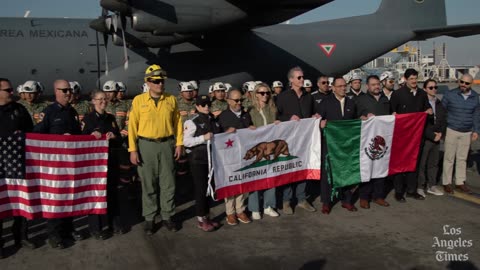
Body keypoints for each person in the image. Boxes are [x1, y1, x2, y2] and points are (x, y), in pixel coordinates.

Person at [128, 64, 183, 235]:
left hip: (167, 144)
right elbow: (132, 126)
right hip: (146, 145)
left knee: (169, 183)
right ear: (148, 82)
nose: (160, 84)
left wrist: (179, 143)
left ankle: (167, 216)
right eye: (156, 81)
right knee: (148, 184)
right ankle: (150, 218)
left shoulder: (171, 99)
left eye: (162, 81)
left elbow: (178, 123)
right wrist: (133, 149)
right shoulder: (138, 100)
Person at [34, 79, 84, 249]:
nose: (68, 93)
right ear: (56, 91)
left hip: (70, 164)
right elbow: (37, 136)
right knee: (55, 200)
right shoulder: (47, 112)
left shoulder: (72, 112)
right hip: (54, 166)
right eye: (64, 90)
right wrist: (59, 139)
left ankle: (68, 230)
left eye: (69, 90)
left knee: (70, 197)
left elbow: (79, 135)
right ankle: (54, 235)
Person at [0, 78, 36, 258]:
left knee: (20, 201)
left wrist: (22, 135)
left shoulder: (19, 110)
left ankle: (21, 237)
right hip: (0, 167)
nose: (12, 92)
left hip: (17, 164)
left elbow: (32, 133)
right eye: (8, 90)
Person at [82, 90, 124, 240]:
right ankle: (96, 228)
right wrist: (90, 136)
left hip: (110, 161)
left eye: (104, 99)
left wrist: (114, 136)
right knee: (96, 194)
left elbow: (120, 140)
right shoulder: (88, 119)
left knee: (112, 193)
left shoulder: (111, 118)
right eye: (99, 99)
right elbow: (80, 140)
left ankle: (115, 223)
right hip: (94, 164)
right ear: (93, 101)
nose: (103, 102)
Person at [275, 66, 316, 214]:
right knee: (289, 169)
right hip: (289, 139)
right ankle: (286, 201)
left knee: (302, 168)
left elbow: (312, 113)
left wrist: (314, 117)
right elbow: (276, 117)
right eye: (299, 77)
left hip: (304, 139)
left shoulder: (309, 96)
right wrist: (288, 118)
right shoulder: (283, 97)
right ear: (291, 80)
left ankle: (301, 199)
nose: (302, 79)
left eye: (302, 77)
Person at [390, 68, 432, 202]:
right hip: (402, 136)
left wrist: (429, 111)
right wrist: (393, 115)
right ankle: (398, 191)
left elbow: (426, 109)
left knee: (414, 163)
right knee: (400, 163)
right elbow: (391, 111)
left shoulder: (422, 94)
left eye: (415, 79)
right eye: (411, 79)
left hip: (417, 136)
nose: (414, 81)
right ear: (405, 79)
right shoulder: (397, 94)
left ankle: (411, 190)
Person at [318, 77, 358, 213]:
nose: (343, 88)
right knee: (327, 173)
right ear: (333, 88)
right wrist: (320, 123)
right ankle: (326, 202)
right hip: (330, 144)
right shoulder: (325, 102)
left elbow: (356, 121)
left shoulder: (351, 103)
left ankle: (346, 200)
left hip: (347, 145)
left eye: (344, 86)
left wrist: (364, 117)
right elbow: (317, 119)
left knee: (347, 171)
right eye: (339, 86)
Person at [183, 95, 221, 232]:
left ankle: (207, 216)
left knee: (209, 188)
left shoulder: (213, 120)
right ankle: (201, 219)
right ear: (197, 106)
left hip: (211, 159)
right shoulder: (192, 122)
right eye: (203, 105)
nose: (206, 107)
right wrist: (202, 138)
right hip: (198, 160)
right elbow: (186, 141)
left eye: (208, 104)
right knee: (201, 189)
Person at [217, 89, 254, 225]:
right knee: (231, 182)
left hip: (244, 155)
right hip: (229, 156)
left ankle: (240, 209)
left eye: (241, 100)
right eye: (236, 100)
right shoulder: (223, 116)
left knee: (243, 182)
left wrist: (252, 129)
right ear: (228, 101)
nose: (239, 103)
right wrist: (226, 133)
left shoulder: (246, 115)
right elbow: (217, 136)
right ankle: (230, 212)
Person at [355, 75, 391, 209]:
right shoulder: (360, 100)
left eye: (378, 84)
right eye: (373, 84)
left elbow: (389, 115)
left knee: (381, 167)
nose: (377, 86)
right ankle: (364, 197)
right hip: (367, 140)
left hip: (383, 139)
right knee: (367, 168)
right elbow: (355, 116)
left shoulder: (385, 99)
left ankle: (378, 196)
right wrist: (361, 117)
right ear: (367, 86)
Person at [441, 74, 480, 194]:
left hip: (467, 132)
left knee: (462, 159)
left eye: (466, 83)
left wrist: (476, 131)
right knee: (449, 158)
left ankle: (460, 182)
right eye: (461, 82)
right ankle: (446, 182)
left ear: (471, 84)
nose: (463, 85)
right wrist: (443, 130)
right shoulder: (450, 94)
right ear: (459, 81)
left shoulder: (475, 97)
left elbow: (476, 115)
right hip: (452, 129)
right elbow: (442, 111)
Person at [247, 83, 281, 220]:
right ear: (256, 94)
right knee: (255, 176)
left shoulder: (272, 109)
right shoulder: (250, 110)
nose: (265, 95)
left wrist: (279, 123)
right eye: (262, 93)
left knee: (270, 176)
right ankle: (255, 208)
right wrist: (248, 127)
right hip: (256, 147)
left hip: (269, 147)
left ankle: (268, 206)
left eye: (267, 93)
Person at [417, 79, 446, 197]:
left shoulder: (439, 103)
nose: (434, 89)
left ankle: (432, 185)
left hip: (437, 137)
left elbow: (444, 119)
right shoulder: (421, 104)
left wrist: (441, 134)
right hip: (426, 137)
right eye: (430, 87)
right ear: (424, 89)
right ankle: (420, 186)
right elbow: (421, 124)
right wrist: (432, 135)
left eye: (435, 87)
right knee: (422, 163)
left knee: (433, 163)